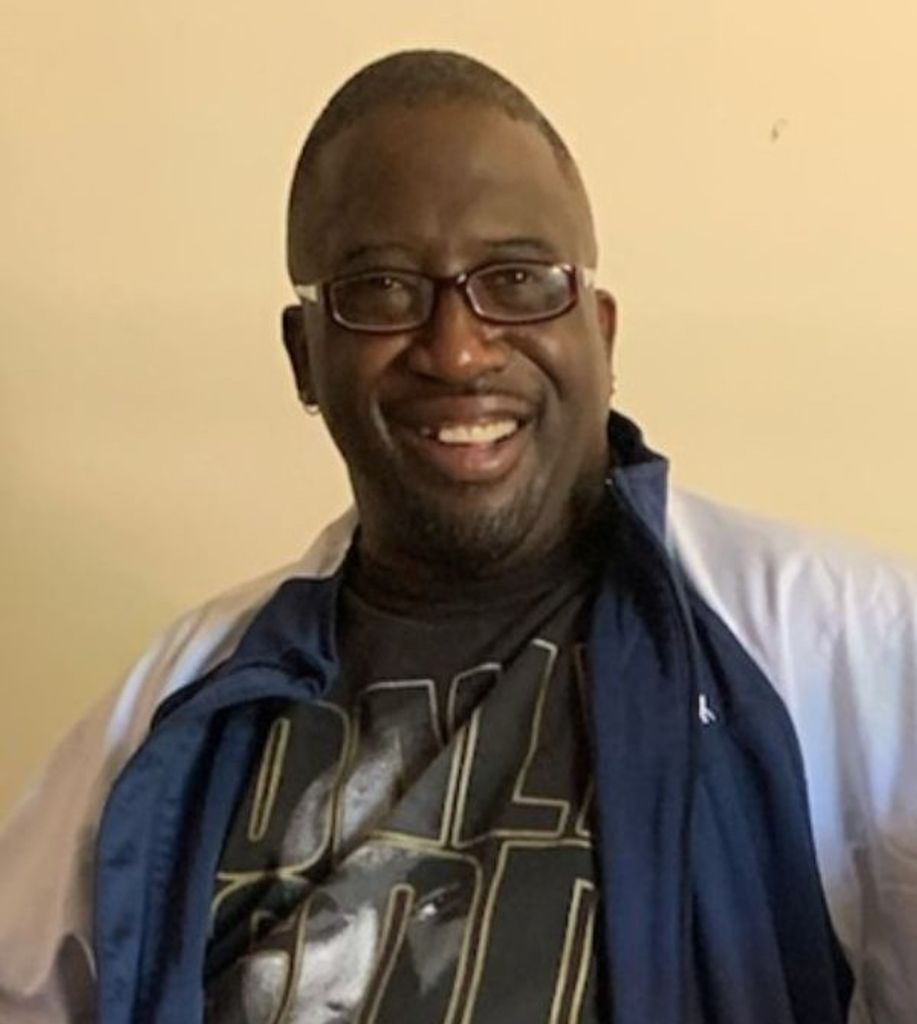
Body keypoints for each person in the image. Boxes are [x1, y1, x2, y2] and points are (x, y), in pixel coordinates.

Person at [1, 49, 915, 1024]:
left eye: (516, 279)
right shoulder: (180, 707)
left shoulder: (839, 642)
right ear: (304, 356)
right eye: (383, 289)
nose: (457, 349)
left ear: (601, 331)